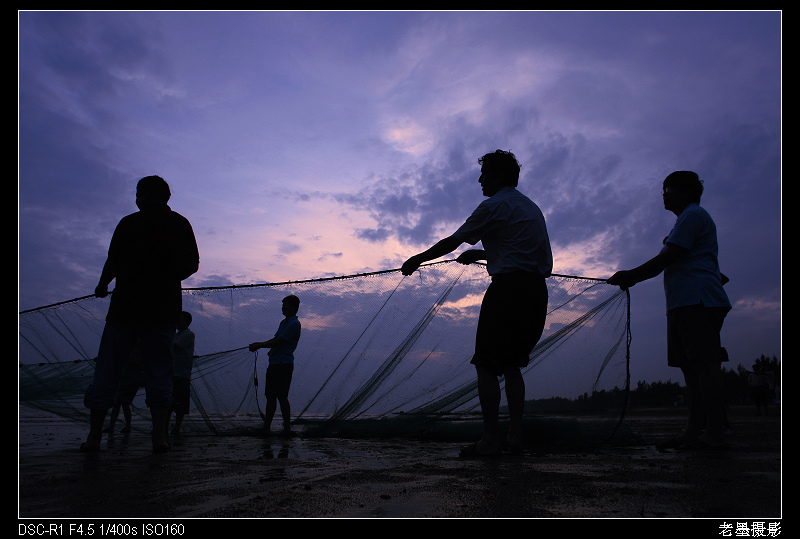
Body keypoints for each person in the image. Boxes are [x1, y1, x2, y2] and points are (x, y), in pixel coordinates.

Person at [401, 150, 552, 457]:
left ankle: (490, 439)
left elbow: (453, 241)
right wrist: (483, 255)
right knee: (512, 366)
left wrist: (417, 258)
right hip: (536, 293)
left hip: (507, 292)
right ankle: (515, 436)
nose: (480, 179)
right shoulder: (532, 209)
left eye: (485, 174)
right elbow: (530, 257)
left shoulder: (493, 205)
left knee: (486, 364)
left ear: (499, 176)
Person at [607, 170, 731, 449]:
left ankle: (714, 432)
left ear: (686, 192)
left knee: (704, 366)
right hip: (682, 303)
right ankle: (694, 430)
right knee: (690, 369)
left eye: (669, 189)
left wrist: (631, 275)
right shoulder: (686, 220)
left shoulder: (693, 215)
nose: (663, 194)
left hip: (697, 301)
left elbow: (669, 257)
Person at [81, 175, 199, 454]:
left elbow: (113, 259)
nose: (136, 198)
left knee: (108, 371)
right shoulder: (180, 223)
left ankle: (95, 437)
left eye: (138, 194)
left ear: (143, 195)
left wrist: (102, 284)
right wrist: (167, 276)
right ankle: (159, 438)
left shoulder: (129, 223)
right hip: (163, 310)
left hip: (125, 309)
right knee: (160, 373)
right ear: (167, 197)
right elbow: (191, 264)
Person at [249, 295, 302, 436]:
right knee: (271, 396)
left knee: (282, 396)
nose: (283, 308)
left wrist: (259, 345)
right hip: (274, 363)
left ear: (294, 307)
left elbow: (279, 341)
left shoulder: (294, 324)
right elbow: (275, 339)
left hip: (283, 364)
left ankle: (286, 428)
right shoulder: (283, 323)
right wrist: (259, 345)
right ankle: (267, 427)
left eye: (286, 305)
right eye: (283, 305)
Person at [103, 341, 145, 435]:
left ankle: (126, 426)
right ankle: (113, 426)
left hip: (132, 381)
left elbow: (139, 365)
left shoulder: (140, 353)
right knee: (117, 403)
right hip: (124, 380)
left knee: (124, 403)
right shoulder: (130, 351)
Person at [170, 311, 196, 435]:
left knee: (180, 404)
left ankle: (177, 427)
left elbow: (175, 346)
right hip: (172, 374)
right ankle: (164, 425)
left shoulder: (189, 335)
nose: (176, 322)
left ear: (186, 322)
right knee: (169, 402)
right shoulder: (175, 335)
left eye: (179, 320)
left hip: (182, 375)